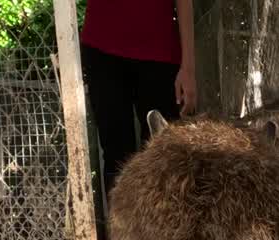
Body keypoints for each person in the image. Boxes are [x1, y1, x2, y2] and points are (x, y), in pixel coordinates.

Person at [79, 0, 197, 197]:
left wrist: (189, 69)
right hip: (102, 50)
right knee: (116, 157)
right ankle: (120, 226)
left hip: (160, 54)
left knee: (164, 154)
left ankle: (164, 226)